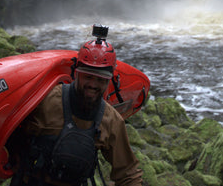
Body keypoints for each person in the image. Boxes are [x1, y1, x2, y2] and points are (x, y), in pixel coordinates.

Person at [8, 25, 143, 186]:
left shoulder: (111, 121)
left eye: (100, 80)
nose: (93, 85)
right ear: (76, 73)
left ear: (109, 81)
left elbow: (128, 173)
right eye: (88, 77)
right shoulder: (45, 101)